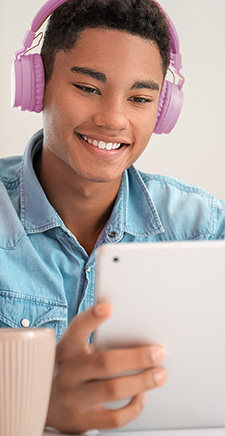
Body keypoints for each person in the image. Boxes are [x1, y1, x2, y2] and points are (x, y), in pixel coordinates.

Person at [0, 0, 224, 433]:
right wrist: (37, 409)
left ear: (162, 111)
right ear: (36, 85)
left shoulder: (206, 229)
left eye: (140, 98)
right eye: (87, 88)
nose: (113, 119)